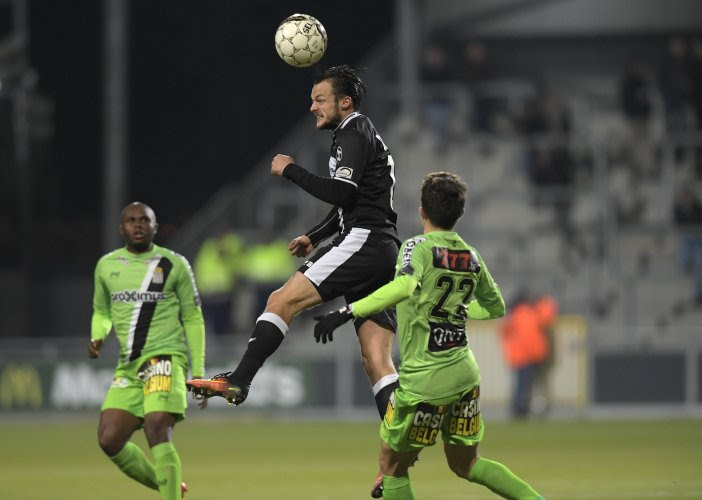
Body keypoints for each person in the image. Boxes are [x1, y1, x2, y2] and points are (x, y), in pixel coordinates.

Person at [187, 65, 401, 495]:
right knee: (376, 362)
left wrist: (290, 171)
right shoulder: (361, 134)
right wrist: (316, 235)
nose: (312, 106)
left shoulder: (354, 132)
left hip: (364, 241)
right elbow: (356, 201)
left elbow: (343, 195)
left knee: (280, 300)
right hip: (380, 247)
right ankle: (397, 461)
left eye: (320, 98)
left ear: (345, 102)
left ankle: (238, 380)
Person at [314, 172, 544, 500]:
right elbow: (496, 308)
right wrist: (460, 312)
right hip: (464, 376)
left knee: (391, 466)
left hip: (425, 381)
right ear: (459, 214)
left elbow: (404, 285)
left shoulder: (416, 248)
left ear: (422, 211)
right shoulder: (471, 256)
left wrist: (348, 311)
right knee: (467, 464)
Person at [89, 202, 206, 500]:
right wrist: (98, 335)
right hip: (129, 366)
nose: (138, 224)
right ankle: (168, 484)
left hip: (165, 357)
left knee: (156, 426)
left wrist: (200, 372)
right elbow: (101, 312)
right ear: (122, 228)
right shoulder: (106, 265)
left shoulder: (174, 264)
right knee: (109, 439)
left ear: (155, 227)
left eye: (144, 220)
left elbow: (193, 318)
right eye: (131, 220)